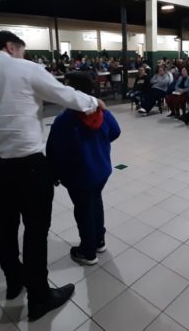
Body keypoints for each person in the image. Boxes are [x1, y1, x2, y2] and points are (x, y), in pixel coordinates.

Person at [0, 31, 104, 322]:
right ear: (11, 47)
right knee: (35, 231)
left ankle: (13, 282)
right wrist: (93, 103)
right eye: (22, 49)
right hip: (28, 166)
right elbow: (65, 94)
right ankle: (40, 297)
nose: (24, 54)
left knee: (4, 224)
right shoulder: (23, 67)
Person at [46, 73, 120, 265]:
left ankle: (88, 252)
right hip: (101, 170)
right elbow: (115, 131)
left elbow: (54, 151)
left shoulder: (65, 120)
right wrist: (99, 144)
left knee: (83, 210)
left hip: (78, 175)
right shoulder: (101, 111)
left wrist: (54, 173)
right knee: (95, 202)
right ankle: (99, 241)